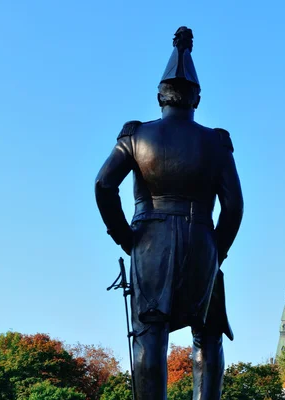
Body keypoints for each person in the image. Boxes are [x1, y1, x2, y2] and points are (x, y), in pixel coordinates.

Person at [95, 26, 244, 400]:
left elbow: (103, 185)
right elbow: (235, 205)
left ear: (160, 96)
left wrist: (125, 238)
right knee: (207, 335)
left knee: (150, 335)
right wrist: (217, 249)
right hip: (201, 239)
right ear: (196, 98)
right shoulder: (216, 142)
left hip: (149, 240)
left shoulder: (136, 135)